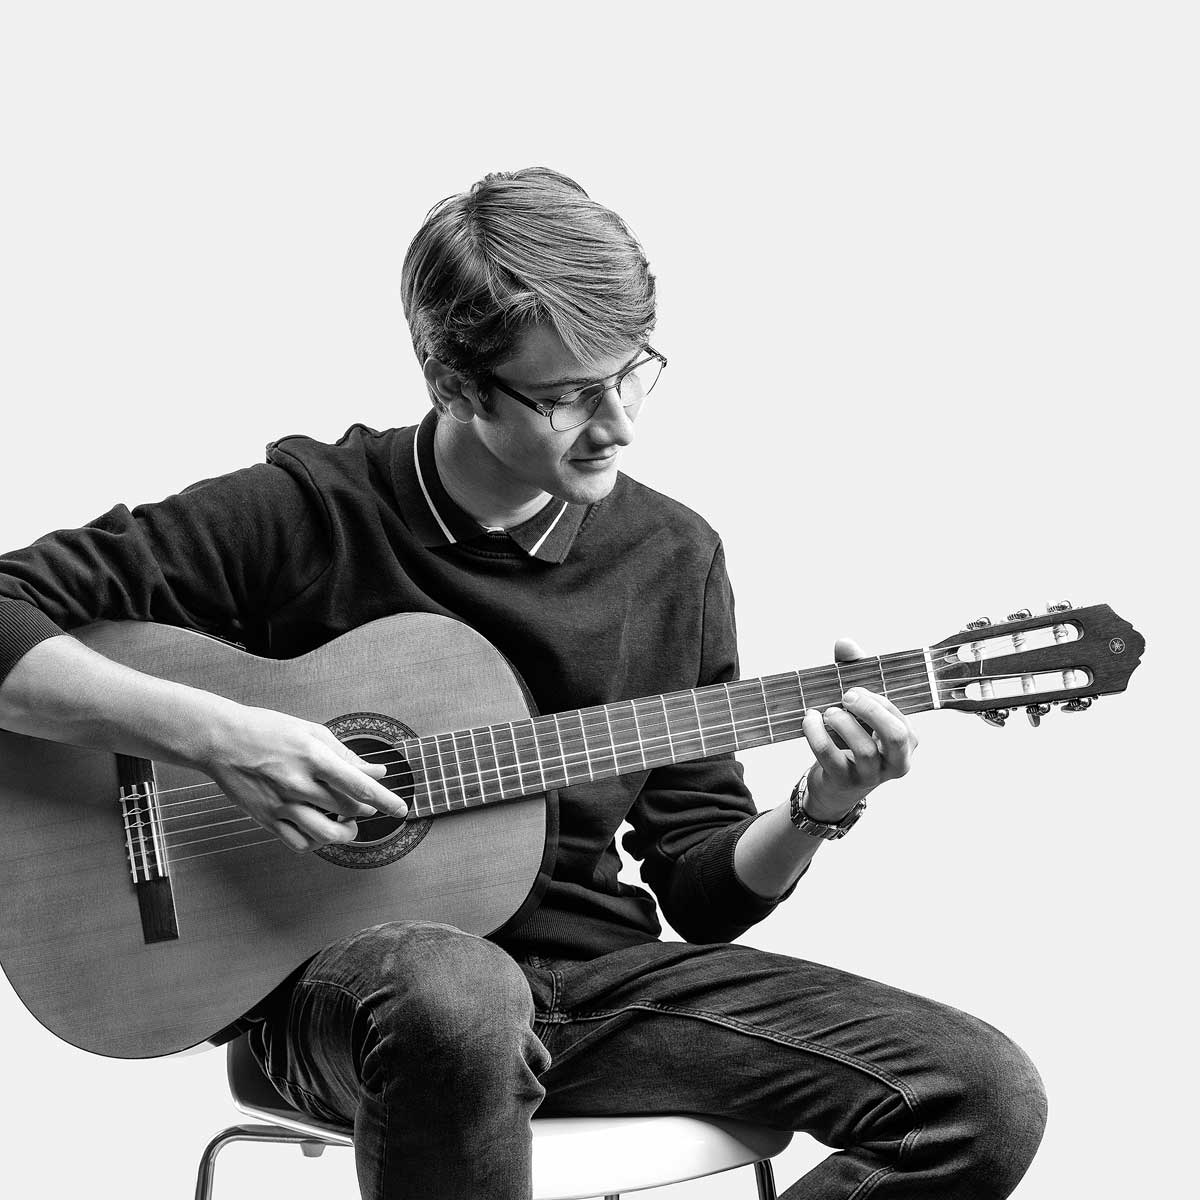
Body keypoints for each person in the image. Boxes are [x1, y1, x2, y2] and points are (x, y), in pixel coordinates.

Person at [0, 168, 1046, 1199]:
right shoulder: (305, 513)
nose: (618, 425)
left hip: (595, 993)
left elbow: (699, 888)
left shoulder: (672, 557)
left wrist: (818, 808)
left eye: (631, 374)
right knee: (458, 996)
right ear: (455, 383)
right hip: (354, 1005)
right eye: (567, 397)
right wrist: (224, 739)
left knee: (978, 1095)